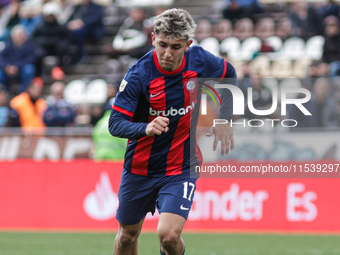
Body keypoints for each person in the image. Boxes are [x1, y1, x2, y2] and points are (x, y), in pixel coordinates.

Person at [108, 8, 236, 255]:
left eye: (175, 47)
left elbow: (229, 74)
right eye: (163, 44)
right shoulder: (139, 74)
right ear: (154, 38)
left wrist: (224, 119)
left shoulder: (199, 60)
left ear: (188, 44)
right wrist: (145, 127)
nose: (167, 53)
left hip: (181, 166)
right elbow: (115, 123)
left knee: (168, 236)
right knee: (126, 236)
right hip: (140, 168)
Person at [0, 24, 36, 93]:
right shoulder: (7, 44)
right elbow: (1, 58)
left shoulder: (29, 46)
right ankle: (2, 92)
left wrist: (17, 66)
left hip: (21, 69)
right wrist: (7, 67)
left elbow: (31, 59)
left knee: (29, 69)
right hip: (7, 70)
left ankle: (23, 91)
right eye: (15, 36)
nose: (17, 38)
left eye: (19, 36)